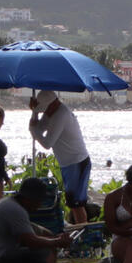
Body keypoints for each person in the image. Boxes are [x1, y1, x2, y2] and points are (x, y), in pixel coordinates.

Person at [29, 90, 91, 224]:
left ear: (52, 104)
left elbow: (46, 143)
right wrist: (35, 112)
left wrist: (33, 130)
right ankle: (79, 230)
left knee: (76, 203)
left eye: (44, 109)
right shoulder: (51, 111)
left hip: (77, 161)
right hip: (67, 163)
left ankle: (83, 233)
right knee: (72, 202)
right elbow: (38, 129)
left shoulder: (61, 114)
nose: (44, 112)